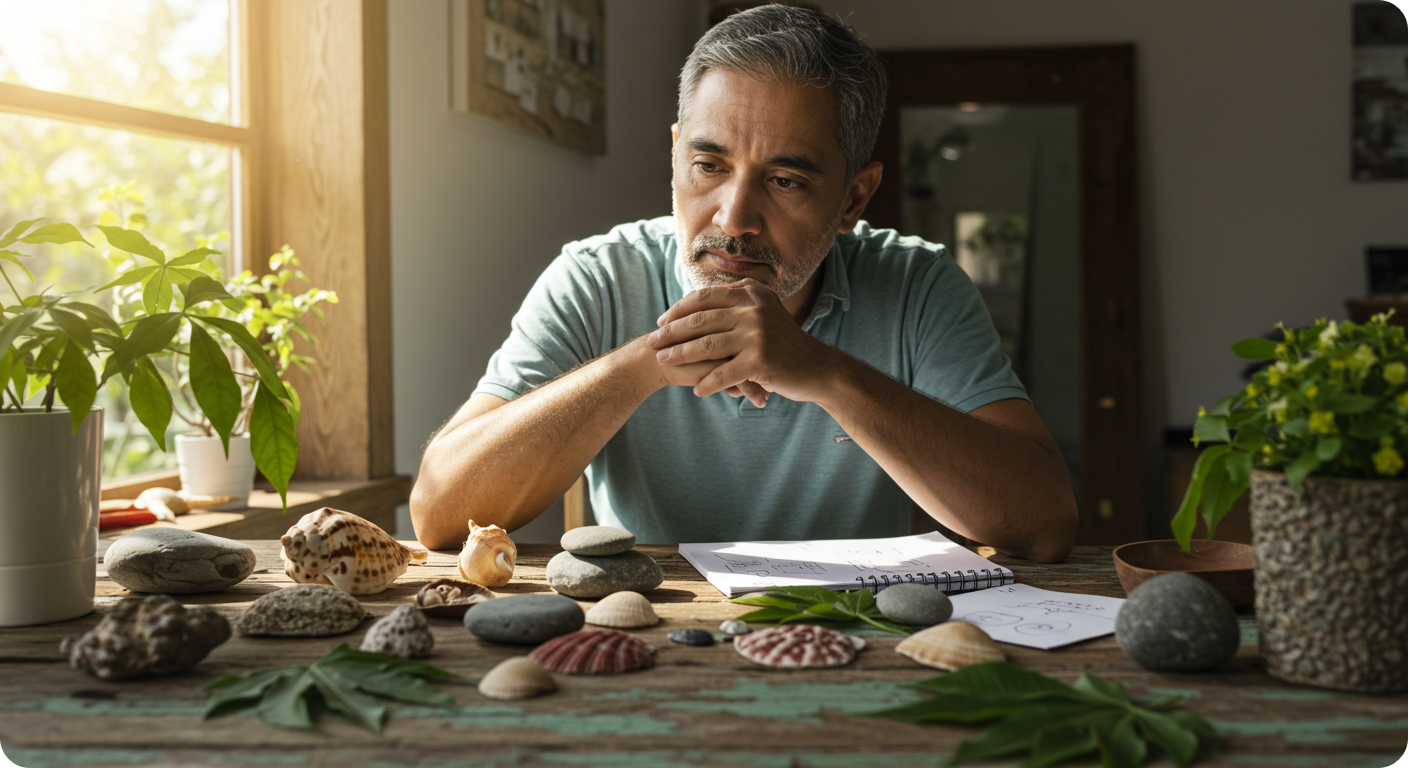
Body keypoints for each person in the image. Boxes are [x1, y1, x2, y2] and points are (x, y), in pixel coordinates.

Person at [410, 5, 1078, 562]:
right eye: (708, 164)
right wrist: (648, 361)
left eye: (786, 181)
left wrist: (824, 373)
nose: (734, 218)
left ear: (854, 197)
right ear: (675, 155)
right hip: (652, 642)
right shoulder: (597, 277)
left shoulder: (917, 283)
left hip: (863, 646)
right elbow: (440, 515)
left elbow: (1043, 523)